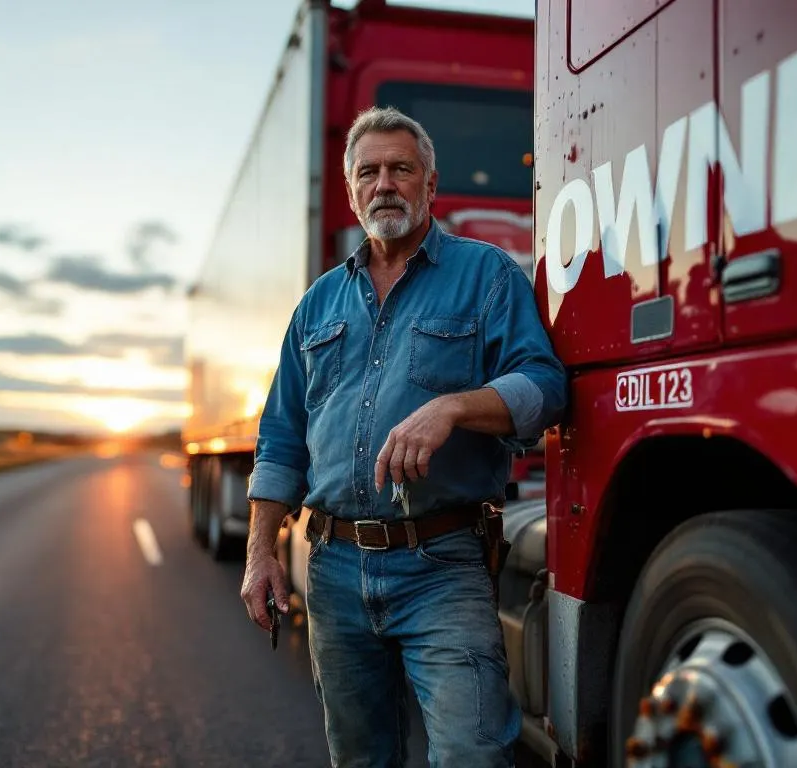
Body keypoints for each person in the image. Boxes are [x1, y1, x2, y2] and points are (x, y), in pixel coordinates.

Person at [239, 105, 567, 768]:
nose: (384, 183)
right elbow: (281, 438)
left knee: (472, 754)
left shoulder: (489, 276)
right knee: (361, 757)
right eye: (369, 172)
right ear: (353, 189)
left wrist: (452, 407)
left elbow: (546, 389)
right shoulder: (317, 306)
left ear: (430, 185)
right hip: (332, 569)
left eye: (400, 169)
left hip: (442, 565)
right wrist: (260, 553)